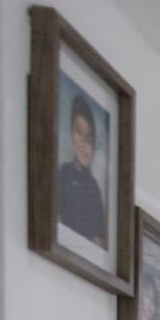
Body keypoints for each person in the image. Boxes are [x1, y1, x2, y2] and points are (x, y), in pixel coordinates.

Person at [56, 91, 108, 249]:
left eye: (89, 137)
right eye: (79, 133)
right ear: (72, 134)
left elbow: (99, 242)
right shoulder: (63, 174)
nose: (84, 144)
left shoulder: (94, 188)